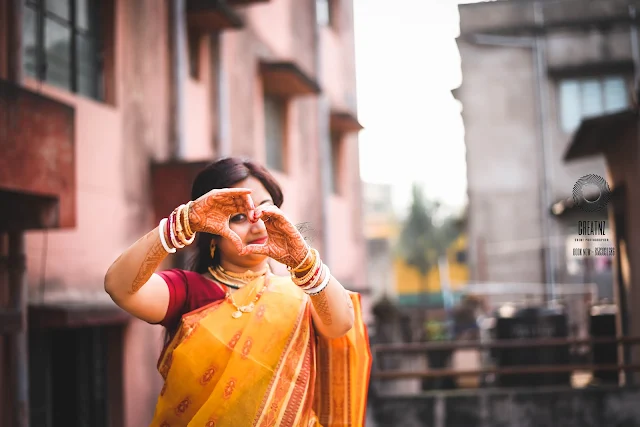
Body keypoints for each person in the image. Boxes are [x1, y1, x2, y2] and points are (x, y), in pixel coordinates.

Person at [104, 157, 371, 427]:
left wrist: (303, 260)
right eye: (239, 217)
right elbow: (119, 287)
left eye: (266, 210)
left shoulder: (302, 294)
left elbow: (341, 325)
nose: (257, 225)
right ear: (212, 232)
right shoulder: (190, 292)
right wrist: (184, 222)